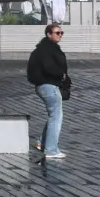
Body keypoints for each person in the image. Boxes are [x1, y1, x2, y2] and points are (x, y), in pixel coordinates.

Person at [27, 22, 69, 159]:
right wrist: (61, 75)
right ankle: (51, 150)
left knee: (54, 115)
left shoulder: (46, 48)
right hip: (48, 85)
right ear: (48, 34)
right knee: (56, 117)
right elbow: (49, 67)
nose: (60, 35)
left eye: (61, 33)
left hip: (45, 85)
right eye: (57, 33)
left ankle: (42, 143)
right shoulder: (46, 50)